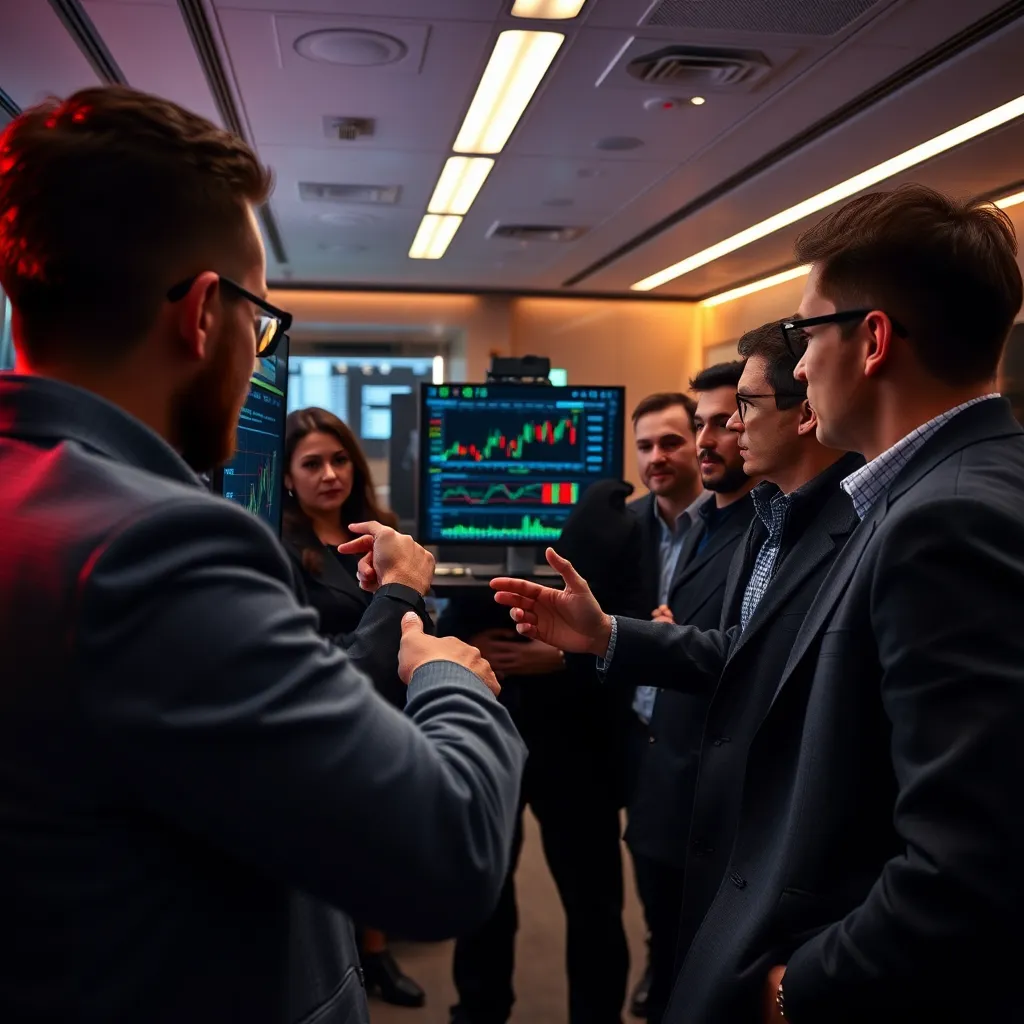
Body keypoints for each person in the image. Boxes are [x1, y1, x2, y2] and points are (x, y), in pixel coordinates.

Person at [0, 85, 526, 1024]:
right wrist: (451, 677)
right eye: (261, 319)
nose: (256, 351)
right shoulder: (158, 546)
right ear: (204, 314)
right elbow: (446, 857)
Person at [492, 183, 1024, 1023]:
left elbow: (975, 860)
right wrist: (608, 635)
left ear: (873, 339)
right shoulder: (919, 492)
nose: (802, 365)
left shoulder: (947, 520)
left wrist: (797, 991)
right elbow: (782, 658)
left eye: (809, 334)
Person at [282, 406, 426, 1008]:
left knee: (380, 848)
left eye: (339, 459)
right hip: (335, 714)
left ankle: (375, 946)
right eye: (311, 463)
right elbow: (308, 654)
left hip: (393, 710)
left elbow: (415, 617)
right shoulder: (280, 549)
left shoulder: (382, 533)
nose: (329, 474)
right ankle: (363, 958)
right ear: (287, 477)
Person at [622, 376, 755, 1023]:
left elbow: (739, 651)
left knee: (701, 927)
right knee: (659, 898)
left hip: (710, 753)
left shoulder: (758, 522)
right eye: (645, 445)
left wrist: (644, 639)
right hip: (650, 747)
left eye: (719, 423)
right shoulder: (647, 524)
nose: (703, 443)